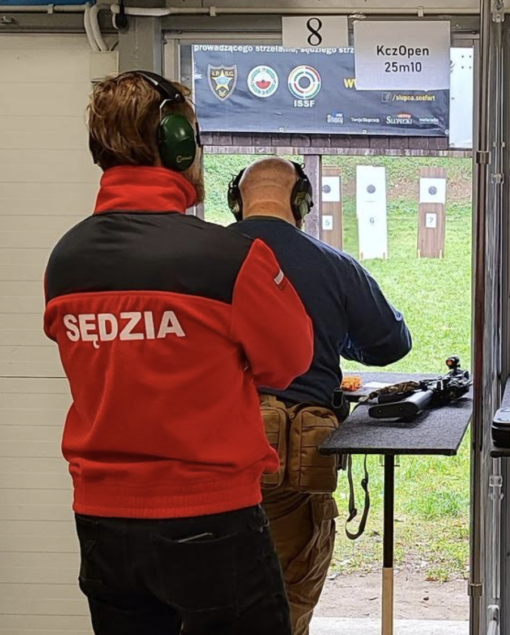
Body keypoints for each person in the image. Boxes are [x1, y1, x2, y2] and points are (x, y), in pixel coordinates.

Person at [42, 72, 314, 634]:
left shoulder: (65, 259)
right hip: (211, 520)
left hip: (101, 523)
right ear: (178, 143)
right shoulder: (228, 257)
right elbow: (289, 361)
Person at [229, 157, 412, 635]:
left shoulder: (200, 257)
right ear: (302, 203)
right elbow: (392, 342)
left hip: (208, 461)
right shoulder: (334, 265)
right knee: (285, 607)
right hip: (289, 461)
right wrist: (334, 338)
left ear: (236, 203)